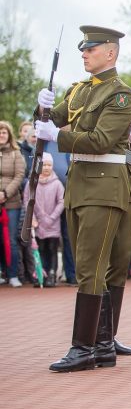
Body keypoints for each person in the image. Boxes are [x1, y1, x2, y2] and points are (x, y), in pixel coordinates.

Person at [34, 25, 131, 372]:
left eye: (91, 48)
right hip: (80, 184)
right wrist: (40, 109)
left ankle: (85, 346)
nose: (84, 53)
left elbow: (100, 140)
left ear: (110, 53)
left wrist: (59, 135)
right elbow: (48, 123)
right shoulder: (77, 91)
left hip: (104, 186)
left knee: (92, 267)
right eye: (83, 48)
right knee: (92, 266)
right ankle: (101, 344)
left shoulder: (120, 95)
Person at [24, 153, 64, 287]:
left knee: (52, 249)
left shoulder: (57, 183)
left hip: (53, 224)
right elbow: (27, 202)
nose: (47, 168)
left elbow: (62, 201)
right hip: (38, 224)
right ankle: (41, 274)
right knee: (39, 250)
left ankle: (52, 274)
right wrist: (33, 219)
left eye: (49, 165)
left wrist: (52, 217)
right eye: (44, 165)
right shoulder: (32, 184)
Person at [0, 120, 26, 287]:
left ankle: (13, 274)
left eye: (4, 132)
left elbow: (19, 176)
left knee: (10, 240)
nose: (1, 135)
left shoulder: (17, 154)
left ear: (9, 135)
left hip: (11, 204)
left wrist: (4, 193)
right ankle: (2, 272)